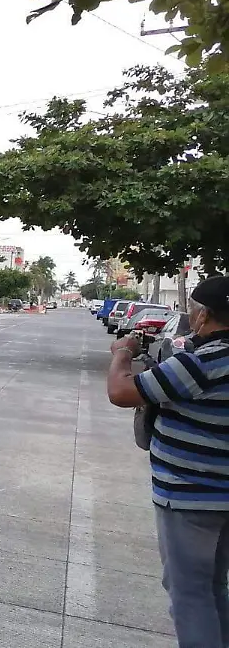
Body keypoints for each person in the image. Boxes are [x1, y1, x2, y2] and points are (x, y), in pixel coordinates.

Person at [106, 275, 229, 647]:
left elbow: (122, 391)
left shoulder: (202, 364)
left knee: (189, 593)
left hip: (192, 495)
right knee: (213, 586)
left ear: (203, 315)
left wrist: (122, 354)